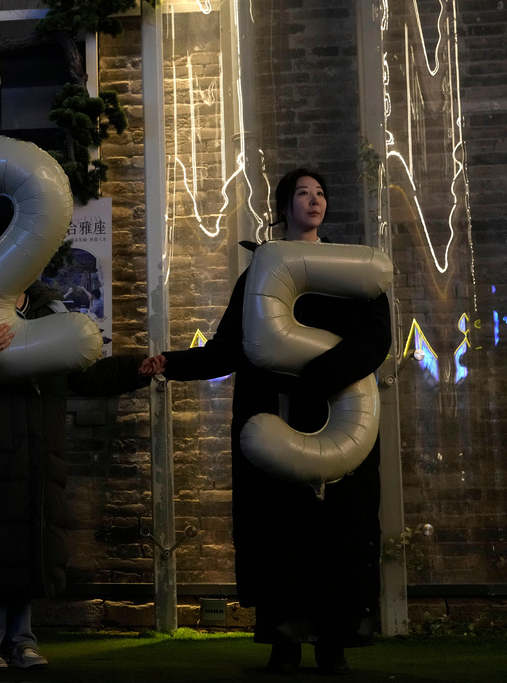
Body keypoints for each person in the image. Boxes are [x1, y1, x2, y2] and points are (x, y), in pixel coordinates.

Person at [160, 169, 391, 675]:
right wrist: (168, 363)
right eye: (303, 193)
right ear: (284, 207)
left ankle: (334, 643)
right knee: (280, 531)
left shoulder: (350, 270)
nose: (315, 200)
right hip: (273, 418)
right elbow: (227, 349)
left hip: (340, 417)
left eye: (321, 192)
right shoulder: (262, 273)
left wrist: (314, 380)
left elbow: (376, 339)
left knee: (338, 533)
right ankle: (283, 640)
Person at [0, 203, 165, 671]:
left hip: (37, 448)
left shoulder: (51, 306)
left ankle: (21, 639)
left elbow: (84, 374)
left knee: (27, 540)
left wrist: (136, 368)